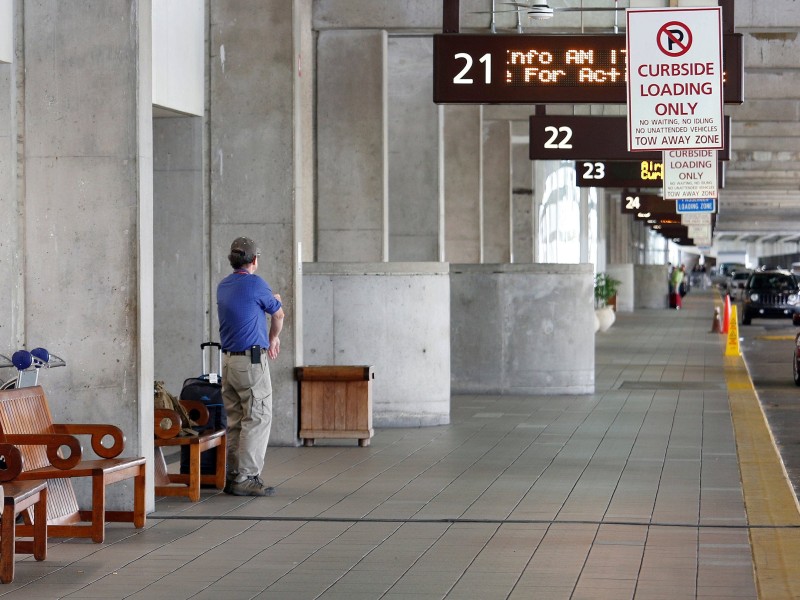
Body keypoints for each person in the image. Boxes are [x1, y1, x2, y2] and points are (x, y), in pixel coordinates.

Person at [217, 236, 285, 496]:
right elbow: (278, 314)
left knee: (236, 421)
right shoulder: (257, 284)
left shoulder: (223, 286)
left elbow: (248, 306)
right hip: (251, 362)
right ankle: (247, 477)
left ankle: (234, 475)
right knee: (257, 417)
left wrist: (269, 298)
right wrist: (273, 338)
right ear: (254, 260)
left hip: (229, 363)